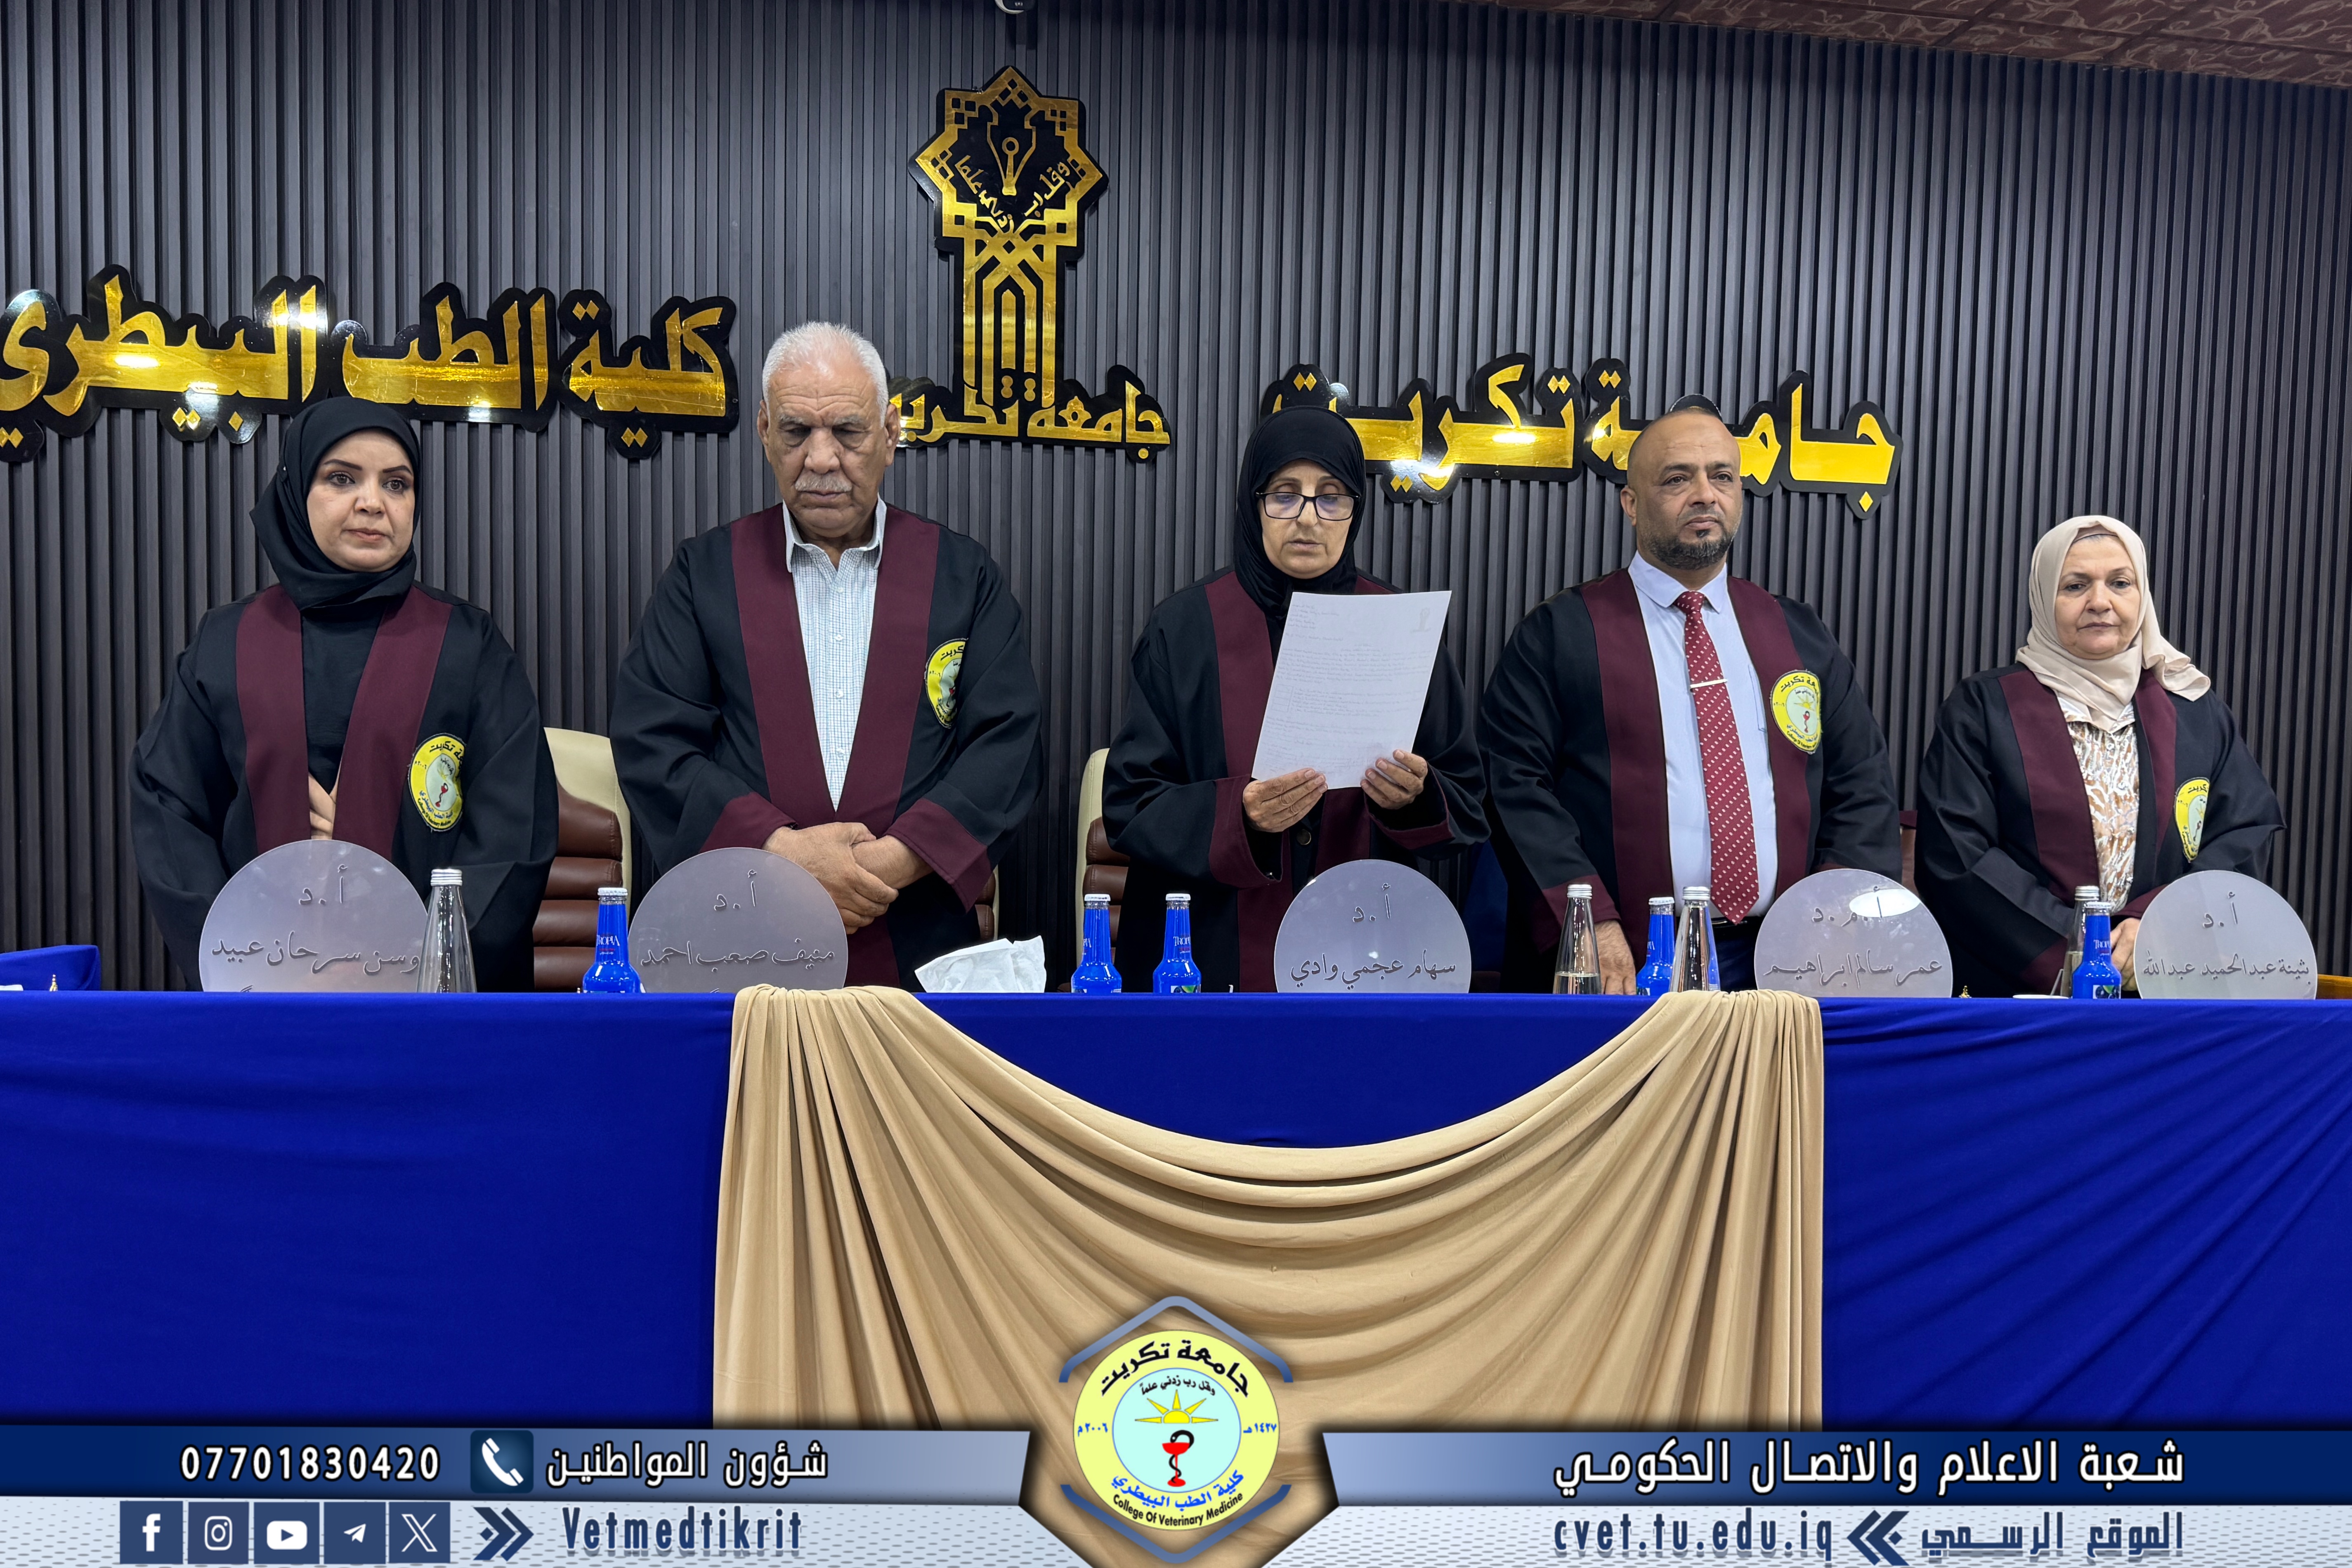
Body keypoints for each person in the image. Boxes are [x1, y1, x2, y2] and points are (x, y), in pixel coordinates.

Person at [611, 322, 1042, 986]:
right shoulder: (706, 577)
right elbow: (654, 742)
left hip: (917, 946)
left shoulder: (961, 578)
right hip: (744, 947)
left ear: (890, 433)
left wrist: (891, 863)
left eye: (847, 431)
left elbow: (1006, 747)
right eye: (796, 432)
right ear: (763, 431)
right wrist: (781, 855)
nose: (820, 459)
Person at [131, 398, 558, 988]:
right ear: (295, 492)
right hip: (262, 991)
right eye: (341, 478)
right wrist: (234, 954)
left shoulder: (467, 645)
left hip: (431, 1004)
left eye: (397, 484)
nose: (373, 502)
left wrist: (419, 955)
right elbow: (170, 810)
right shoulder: (227, 644)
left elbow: (515, 830)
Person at [1479, 402, 1901, 991]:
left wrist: (1832, 921)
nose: (1705, 494)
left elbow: (1862, 788)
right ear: (1631, 504)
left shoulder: (1796, 634)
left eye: (1722, 476)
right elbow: (1515, 788)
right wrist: (1588, 922)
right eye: (1678, 479)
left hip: (1785, 964)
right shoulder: (1562, 633)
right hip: (1625, 961)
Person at [1103, 405, 1488, 992]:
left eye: (1331, 497)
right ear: (1252, 503)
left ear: (1356, 509)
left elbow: (1466, 801)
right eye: (1285, 495)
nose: (1308, 518)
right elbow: (1132, 804)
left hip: (1367, 961)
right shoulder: (1184, 630)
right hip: (1207, 958)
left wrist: (1415, 797)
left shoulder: (1401, 627)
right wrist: (1240, 815)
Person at [1915, 515, 2281, 994]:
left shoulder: (2193, 710)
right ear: (2044, 597)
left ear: (2143, 595)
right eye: (2075, 585)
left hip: (2166, 985)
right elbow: (1958, 854)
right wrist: (2083, 950)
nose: (2100, 602)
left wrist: (2160, 923)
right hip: (2024, 994)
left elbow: (2243, 831)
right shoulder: (1986, 708)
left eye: (2120, 583)